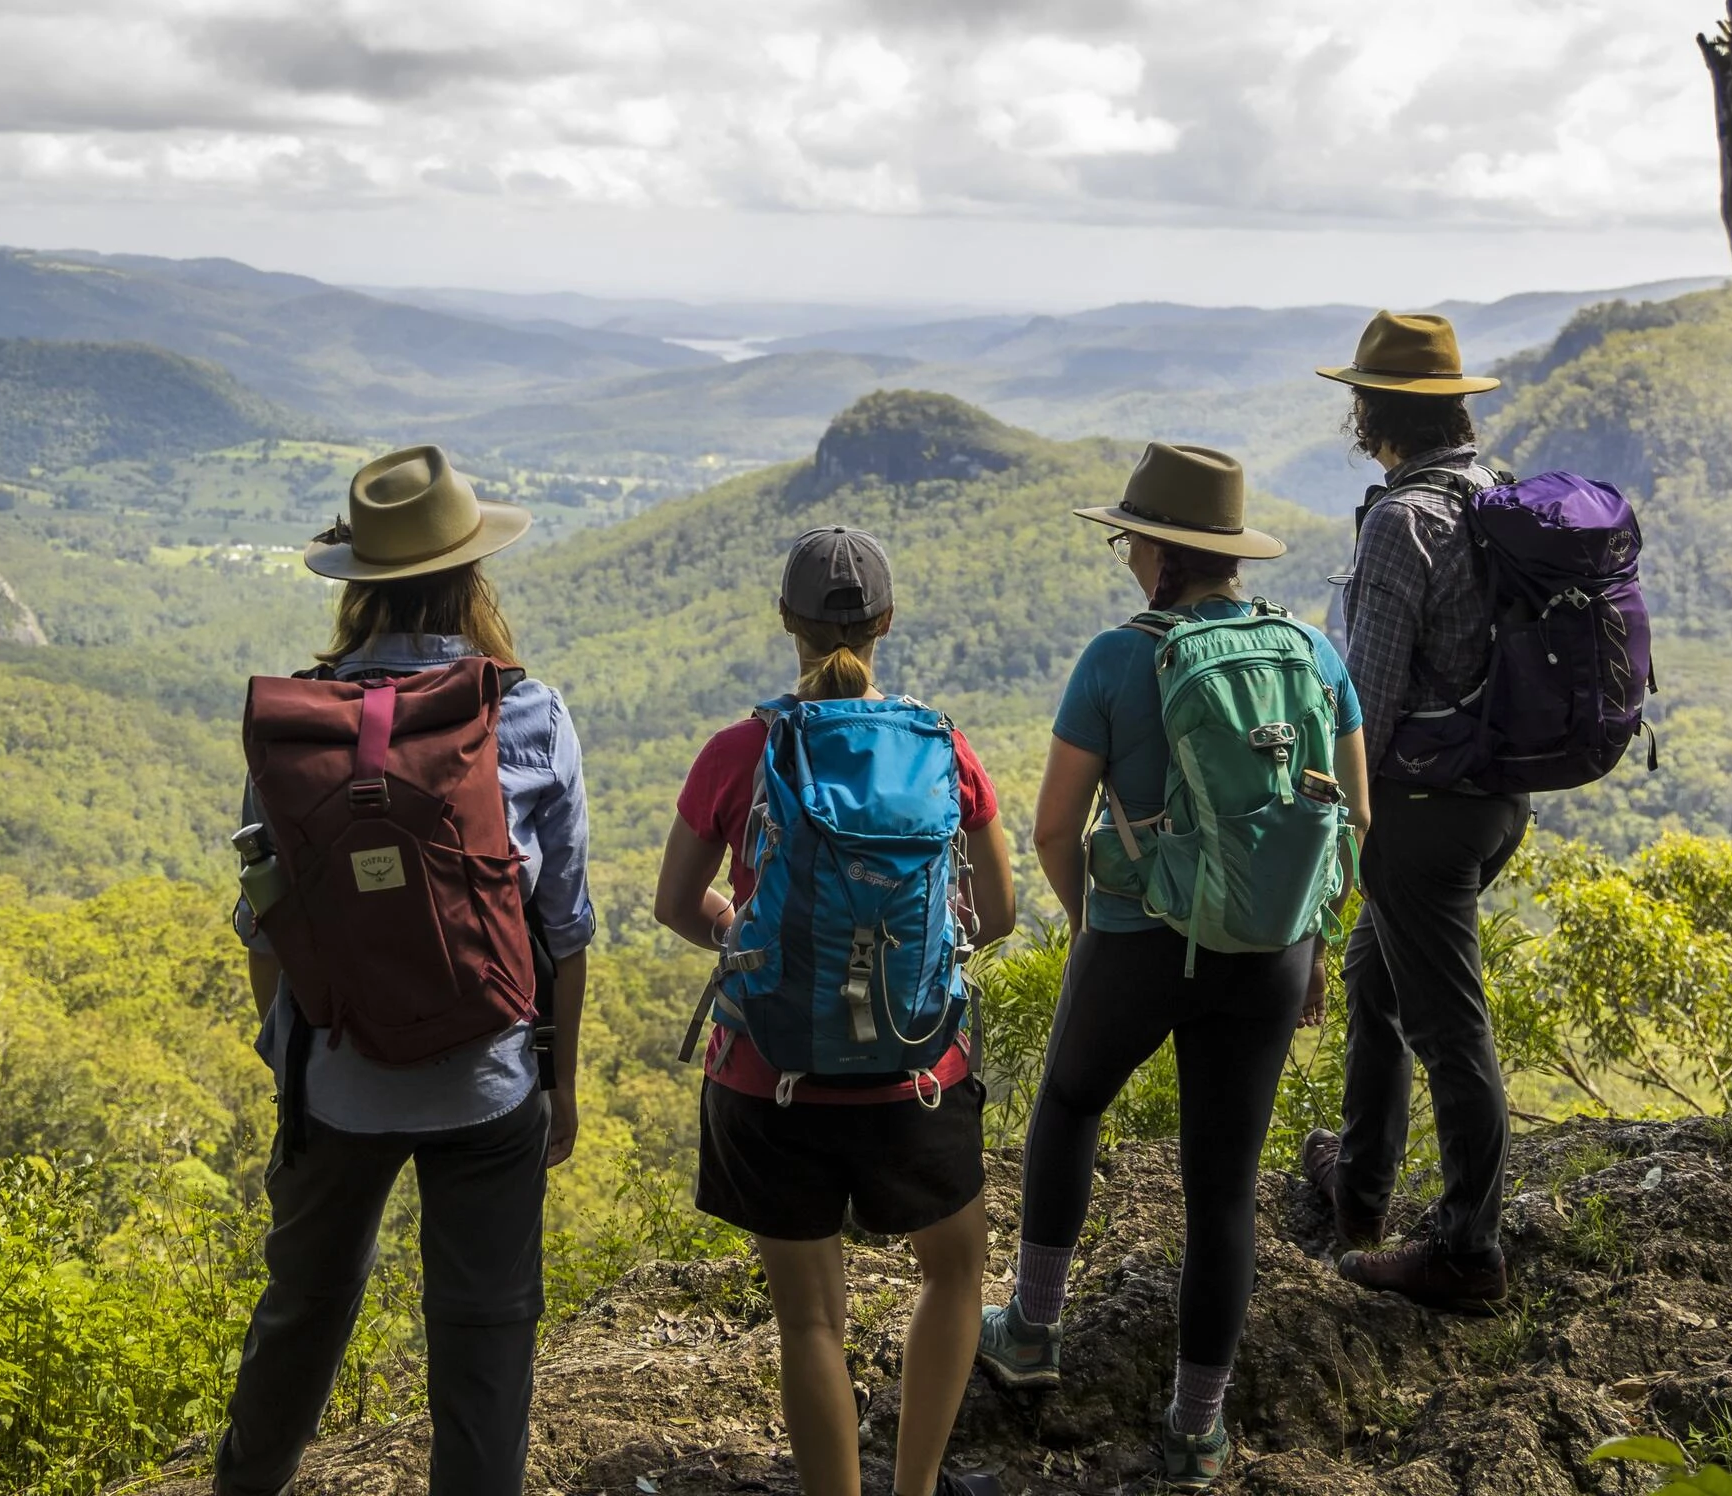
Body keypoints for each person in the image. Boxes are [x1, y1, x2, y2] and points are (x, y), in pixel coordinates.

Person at [976, 444, 1368, 1490]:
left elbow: (1056, 826)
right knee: (1223, 1189)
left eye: (1131, 534)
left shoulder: (1116, 658)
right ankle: (1197, 1427)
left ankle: (1031, 1330)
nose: (1125, 549)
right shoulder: (1313, 656)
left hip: (1141, 934)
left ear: (1165, 551)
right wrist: (1312, 940)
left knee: (1066, 1103)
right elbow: (1352, 820)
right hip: (1271, 948)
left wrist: (1094, 921)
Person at [217, 445, 594, 1496]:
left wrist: (290, 1060)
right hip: (489, 1078)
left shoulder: (295, 727)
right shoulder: (527, 712)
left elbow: (263, 924)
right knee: (484, 1341)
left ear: (358, 587)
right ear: (472, 576)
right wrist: (561, 1085)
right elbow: (564, 925)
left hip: (336, 1079)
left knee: (301, 1314)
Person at [654, 526, 1014, 1496]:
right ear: (887, 622)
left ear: (788, 622)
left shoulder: (740, 750)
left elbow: (677, 904)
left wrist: (743, 919)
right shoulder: (944, 745)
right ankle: (918, 1483)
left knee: (811, 1319)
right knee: (954, 1270)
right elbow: (1004, 909)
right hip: (917, 1074)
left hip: (772, 1075)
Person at [1299, 311, 1529, 1313]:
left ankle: (1467, 1248)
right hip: (1494, 795)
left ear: (1372, 411)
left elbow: (1368, 702)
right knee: (1374, 978)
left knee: (1447, 1024)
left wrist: (1326, 816)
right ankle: (1359, 1182)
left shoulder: (1403, 519)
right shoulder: (1493, 494)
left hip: (1424, 813)